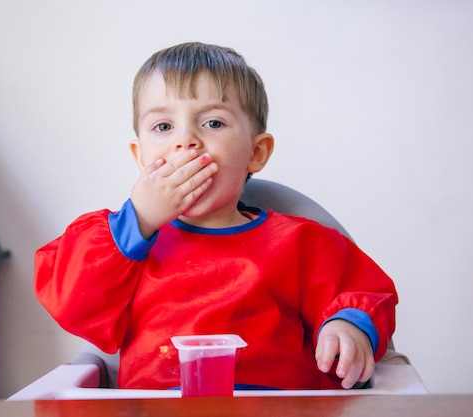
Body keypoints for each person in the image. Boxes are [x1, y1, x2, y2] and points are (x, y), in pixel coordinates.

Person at [35, 42, 398, 391]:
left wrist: (347, 326)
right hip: (155, 407)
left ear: (256, 152)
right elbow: (71, 299)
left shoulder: (300, 243)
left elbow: (361, 290)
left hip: (275, 407)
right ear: (140, 156)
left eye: (212, 123)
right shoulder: (119, 250)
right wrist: (138, 219)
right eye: (163, 127)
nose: (186, 141)